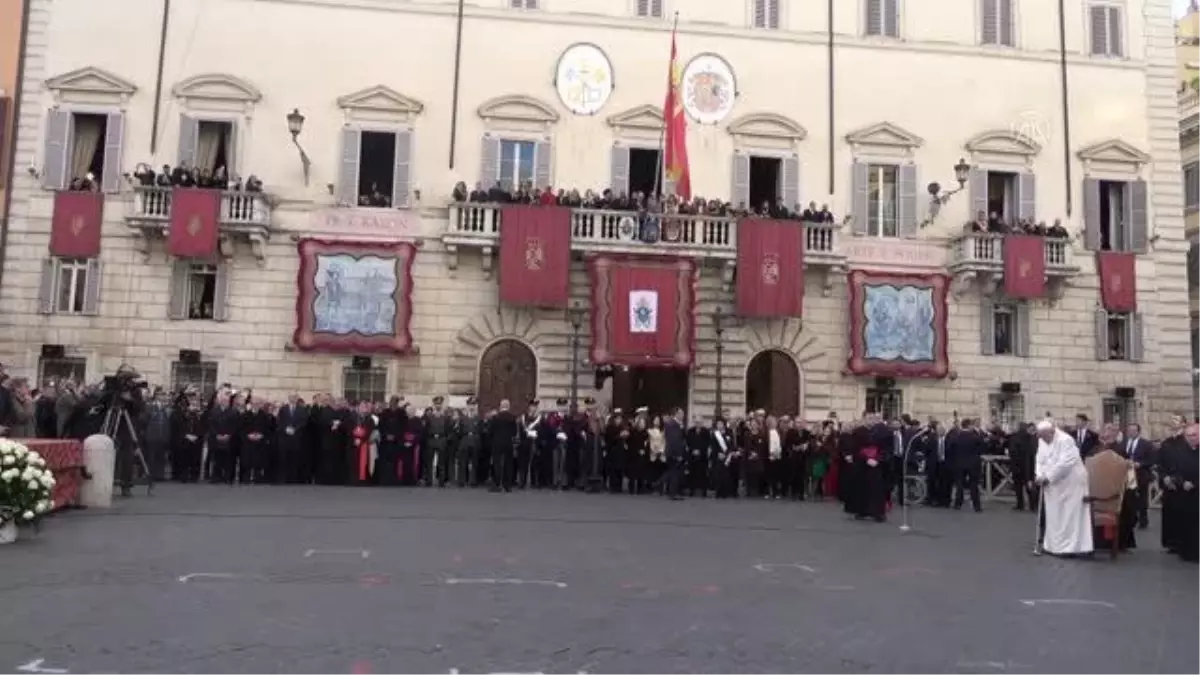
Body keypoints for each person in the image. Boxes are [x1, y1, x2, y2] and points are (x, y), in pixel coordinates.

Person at [1034, 419, 1093, 557]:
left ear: (1052, 431)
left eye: (1045, 436)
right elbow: (1040, 459)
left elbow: (1065, 463)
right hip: (1053, 485)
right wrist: (1039, 475)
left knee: (1069, 516)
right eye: (1040, 436)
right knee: (1054, 515)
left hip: (1071, 484)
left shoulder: (1066, 440)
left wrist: (1047, 477)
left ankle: (1070, 548)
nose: (1043, 439)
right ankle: (1053, 546)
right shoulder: (1042, 440)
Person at [1086, 424, 1137, 555]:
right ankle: (1098, 542)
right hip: (1096, 489)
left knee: (1123, 512)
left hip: (1115, 489)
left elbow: (1127, 468)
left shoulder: (1119, 449)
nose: (1106, 433)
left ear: (1115, 433)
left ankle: (1120, 544)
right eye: (1105, 430)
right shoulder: (1095, 448)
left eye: (1110, 431)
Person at [1160, 422, 1200, 562]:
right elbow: (1174, 470)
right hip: (1184, 494)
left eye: (1194, 435)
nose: (1192, 438)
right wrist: (1181, 481)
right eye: (1188, 436)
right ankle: (1186, 552)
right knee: (1185, 524)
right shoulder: (1179, 451)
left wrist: (1195, 483)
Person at [489, 399, 517, 492]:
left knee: (497, 463)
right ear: (508, 407)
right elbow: (514, 432)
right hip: (508, 443)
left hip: (497, 443)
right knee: (508, 464)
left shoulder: (496, 417)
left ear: (500, 406)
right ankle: (507, 485)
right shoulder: (512, 417)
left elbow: (491, 430)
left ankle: (497, 484)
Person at [662, 407, 687, 500]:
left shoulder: (677, 424)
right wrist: (677, 454)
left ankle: (670, 490)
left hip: (673, 452)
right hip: (673, 453)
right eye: (681, 413)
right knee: (674, 474)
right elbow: (674, 441)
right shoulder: (672, 424)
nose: (683, 415)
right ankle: (672, 493)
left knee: (673, 473)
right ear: (676, 414)